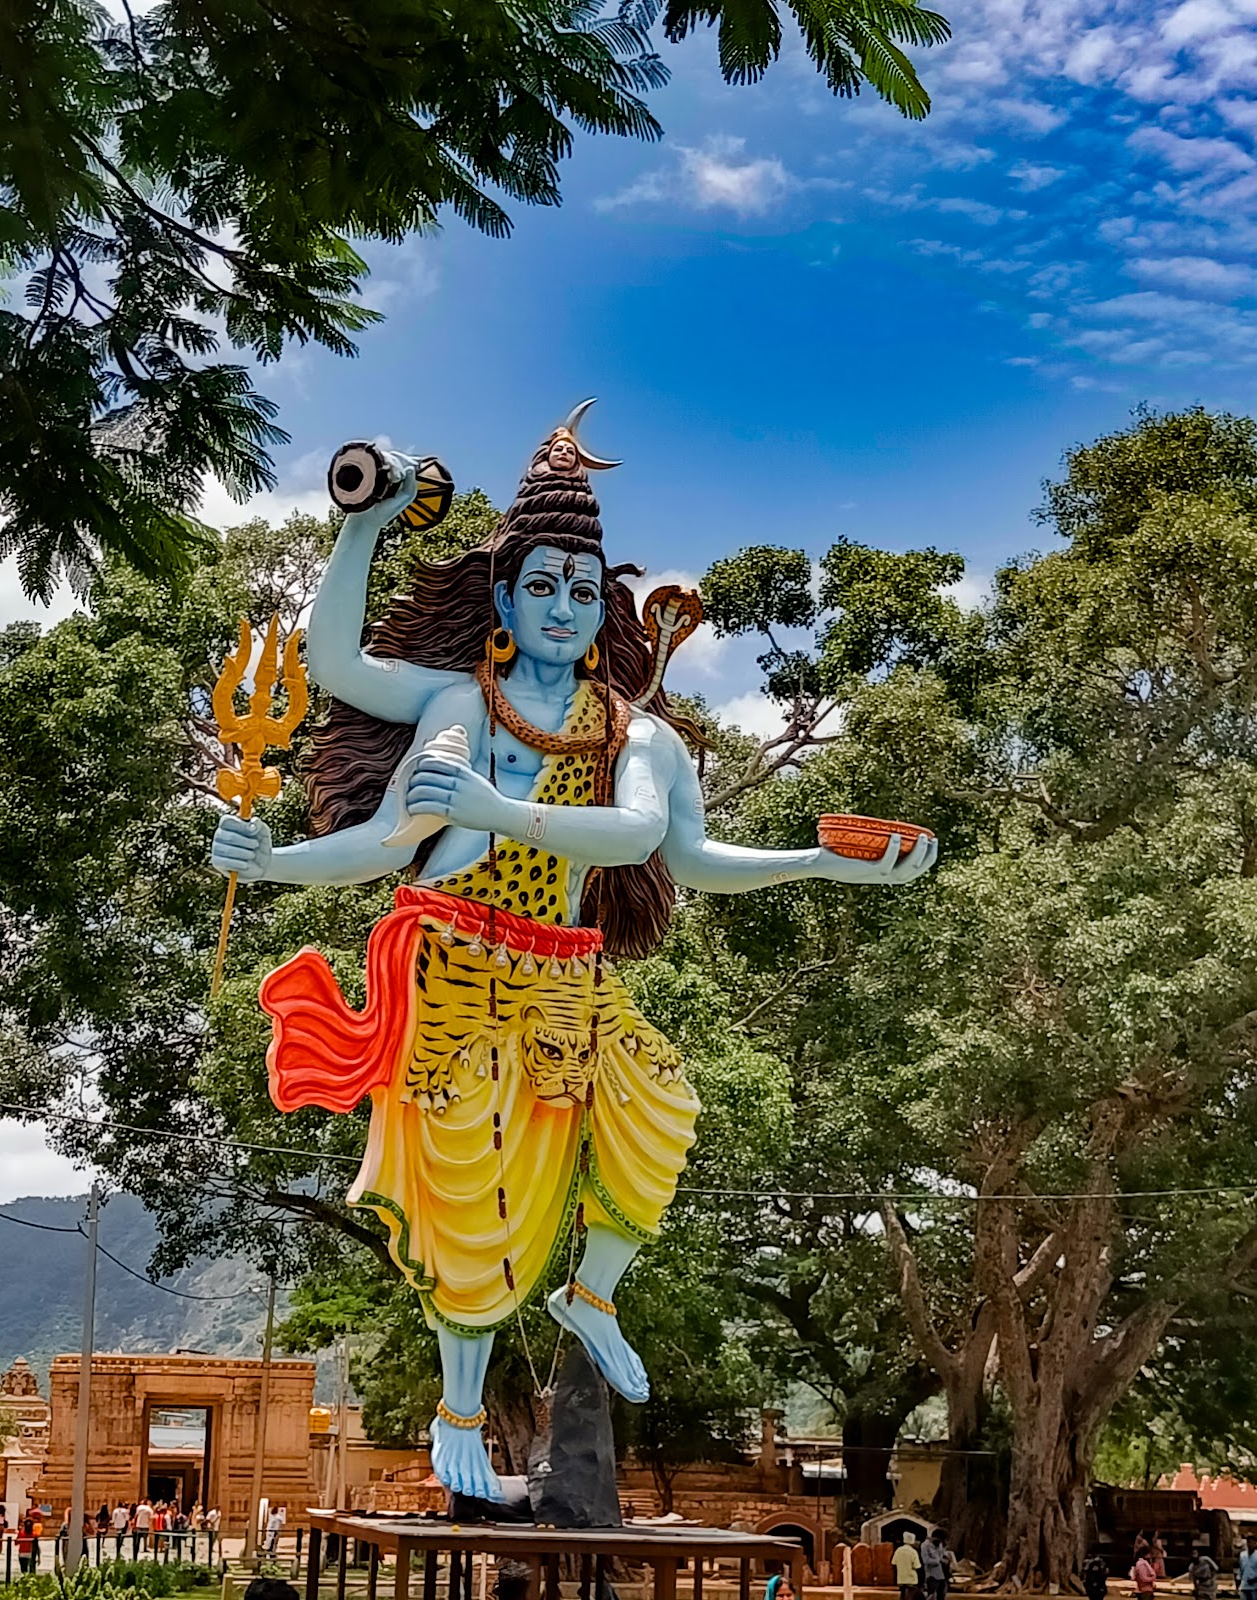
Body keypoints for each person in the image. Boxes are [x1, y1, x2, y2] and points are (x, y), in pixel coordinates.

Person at [212, 409, 937, 1503]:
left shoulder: (637, 735)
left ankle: (590, 1295)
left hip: (566, 968)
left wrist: (816, 862)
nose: (562, 607)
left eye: (584, 591)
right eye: (542, 586)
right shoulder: (461, 702)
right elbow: (360, 741)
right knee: (474, 1182)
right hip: (453, 958)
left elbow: (669, 847)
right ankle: (461, 1411)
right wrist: (361, 528)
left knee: (660, 1108)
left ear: (604, 613)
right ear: (504, 601)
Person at [921, 1530, 953, 1600]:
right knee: (932, 1595)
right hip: (931, 1575)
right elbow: (926, 1560)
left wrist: (946, 1558)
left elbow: (941, 1555)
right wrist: (939, 1561)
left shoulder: (939, 1544)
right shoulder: (925, 1546)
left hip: (942, 1575)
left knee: (941, 1595)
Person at [894, 1534, 922, 1600]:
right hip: (911, 1579)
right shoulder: (913, 1552)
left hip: (901, 1578)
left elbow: (894, 1562)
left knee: (903, 1596)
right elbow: (917, 1566)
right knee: (910, 1596)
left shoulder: (898, 1550)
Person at [1237, 1533, 1257, 1600]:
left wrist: (1254, 1580)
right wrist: (1238, 1582)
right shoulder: (1242, 1555)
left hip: (1255, 1587)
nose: (1250, 1545)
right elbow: (1240, 1569)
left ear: (1255, 1544)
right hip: (1244, 1586)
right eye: (1249, 1542)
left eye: (1252, 1543)